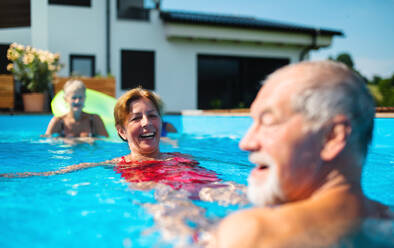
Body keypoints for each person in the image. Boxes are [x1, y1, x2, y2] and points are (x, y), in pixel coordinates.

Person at [213, 61, 392, 248]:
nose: (246, 143)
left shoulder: (254, 232)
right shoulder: (386, 223)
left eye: (267, 122)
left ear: (332, 137)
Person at [44, 79, 109, 143]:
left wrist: (93, 140)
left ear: (85, 98)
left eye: (80, 98)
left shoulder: (94, 119)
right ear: (65, 99)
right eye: (74, 98)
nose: (77, 101)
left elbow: (106, 141)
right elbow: (46, 141)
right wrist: (62, 140)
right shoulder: (58, 121)